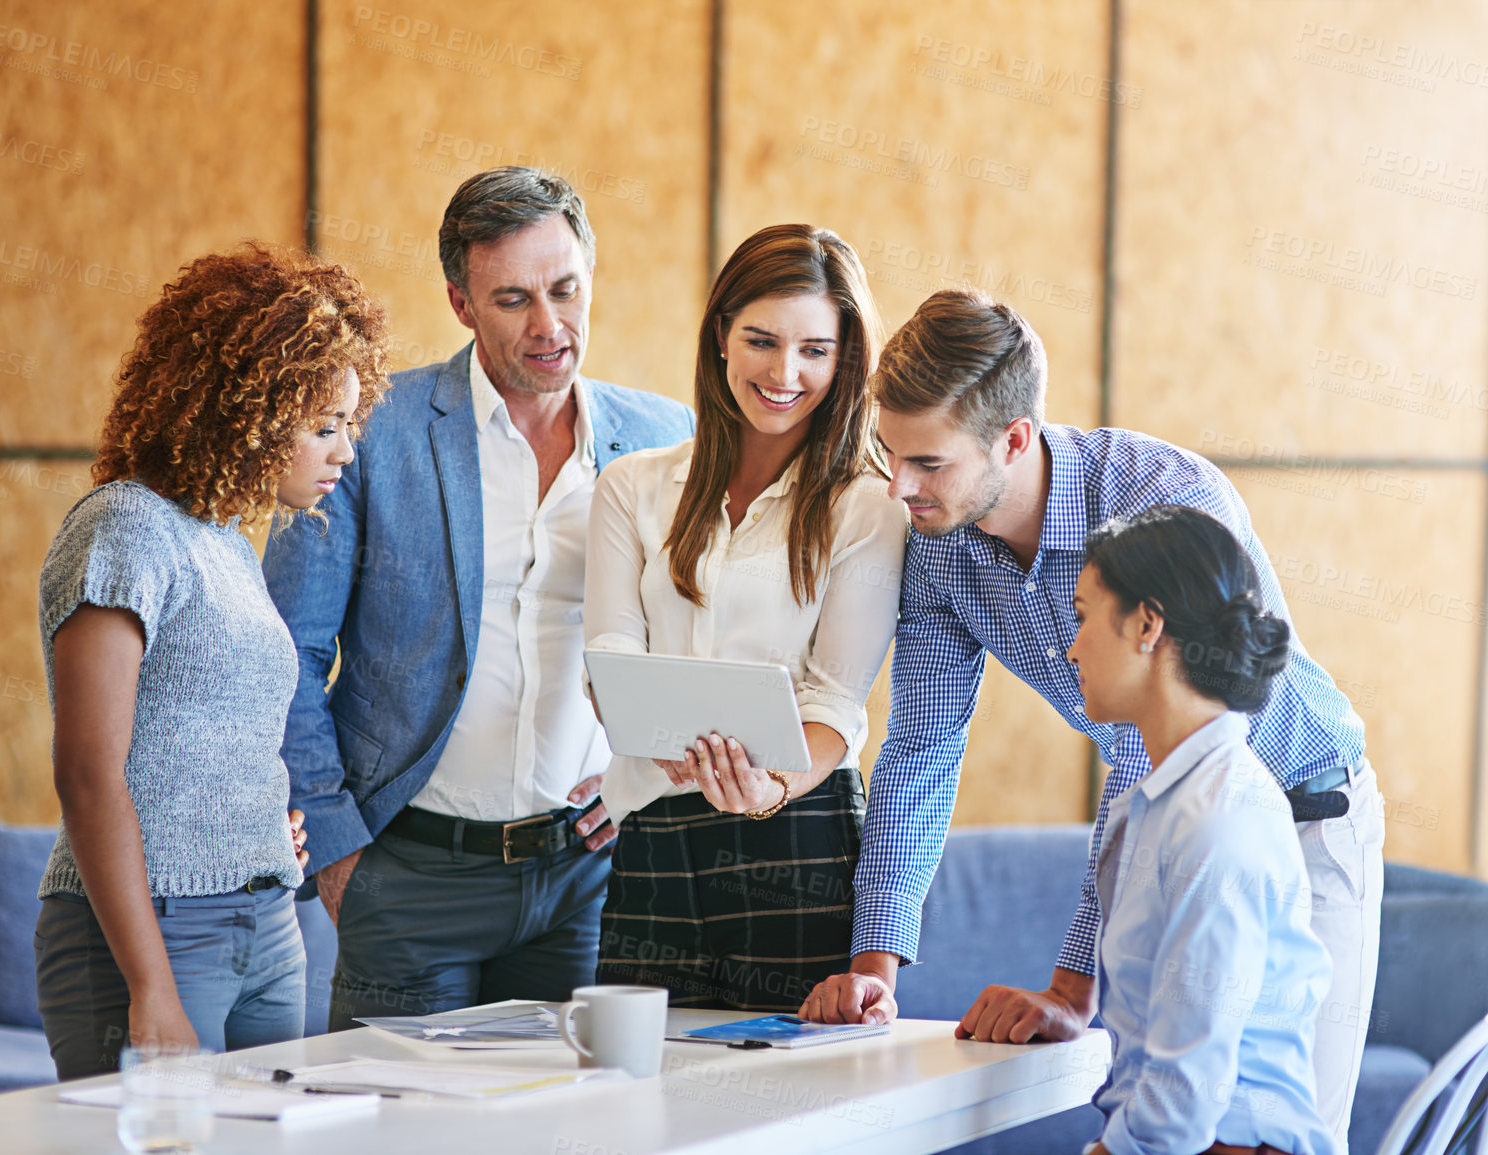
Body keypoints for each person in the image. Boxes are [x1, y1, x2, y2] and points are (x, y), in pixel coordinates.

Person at [800, 290, 1384, 1150]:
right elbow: (921, 746)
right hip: (1169, 818)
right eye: (888, 454)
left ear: (1012, 437)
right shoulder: (936, 541)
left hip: (1297, 819)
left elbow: (1157, 751)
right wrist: (872, 973)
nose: (899, 487)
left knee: (1274, 1133)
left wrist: (1073, 988)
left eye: (927, 462)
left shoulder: (1162, 500)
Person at [263, 167, 692, 1029]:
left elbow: (703, 639)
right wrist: (339, 852)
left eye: (566, 289)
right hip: (409, 873)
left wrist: (644, 774)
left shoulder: (667, 440)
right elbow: (288, 653)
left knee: (567, 1129)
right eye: (513, 299)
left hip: (585, 879)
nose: (549, 326)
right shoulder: (374, 431)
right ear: (461, 302)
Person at [34, 243, 390, 1077]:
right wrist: (149, 983)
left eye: (349, 424)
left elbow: (212, 735)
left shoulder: (226, 539)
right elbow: (89, 774)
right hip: (153, 933)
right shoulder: (123, 528)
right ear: (248, 410)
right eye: (323, 427)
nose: (344, 451)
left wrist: (259, 826)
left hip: (266, 928)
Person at [583, 223, 905, 1010]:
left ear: (845, 359)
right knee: (641, 1103)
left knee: (796, 1107)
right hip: (654, 838)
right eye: (761, 339)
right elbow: (611, 662)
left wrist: (765, 787)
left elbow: (833, 704)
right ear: (720, 333)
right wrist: (655, 739)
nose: (784, 373)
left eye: (815, 350)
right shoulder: (631, 487)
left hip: (797, 832)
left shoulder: (867, 506)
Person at [1060, 505, 1335, 1155]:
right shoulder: (1154, 801)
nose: (1071, 646)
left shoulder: (1218, 818)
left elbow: (1187, 1090)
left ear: (1147, 624)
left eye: (1081, 615)